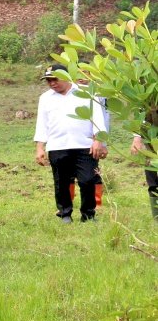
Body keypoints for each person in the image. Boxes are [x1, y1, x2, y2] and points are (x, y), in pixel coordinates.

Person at [33, 64, 107, 223]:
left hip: (85, 145)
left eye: (55, 79)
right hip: (57, 145)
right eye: (48, 81)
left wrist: (98, 140)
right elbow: (42, 124)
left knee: (88, 180)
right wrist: (40, 147)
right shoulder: (45, 98)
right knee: (62, 182)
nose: (52, 83)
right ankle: (65, 213)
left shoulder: (86, 92)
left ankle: (88, 214)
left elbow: (98, 117)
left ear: (66, 76)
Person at [69, 73, 109, 207]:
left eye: (85, 73)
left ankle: (96, 203)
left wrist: (102, 142)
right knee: (68, 173)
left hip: (92, 140)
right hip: (70, 140)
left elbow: (104, 118)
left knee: (91, 173)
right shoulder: (68, 94)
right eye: (77, 73)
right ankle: (67, 202)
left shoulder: (99, 94)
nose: (81, 77)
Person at [130, 135, 158, 221]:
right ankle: (156, 217)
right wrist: (137, 137)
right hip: (150, 139)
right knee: (153, 182)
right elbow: (142, 121)